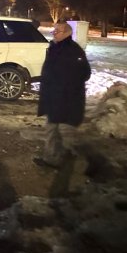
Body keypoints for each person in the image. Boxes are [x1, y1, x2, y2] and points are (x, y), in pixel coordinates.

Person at [34, 21, 91, 168]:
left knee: (57, 129)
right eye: (54, 30)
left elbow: (85, 73)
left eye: (57, 31)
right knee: (54, 129)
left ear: (67, 33)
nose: (54, 33)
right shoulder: (56, 48)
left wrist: (66, 86)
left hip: (64, 97)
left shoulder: (73, 51)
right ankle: (56, 157)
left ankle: (56, 159)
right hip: (54, 95)